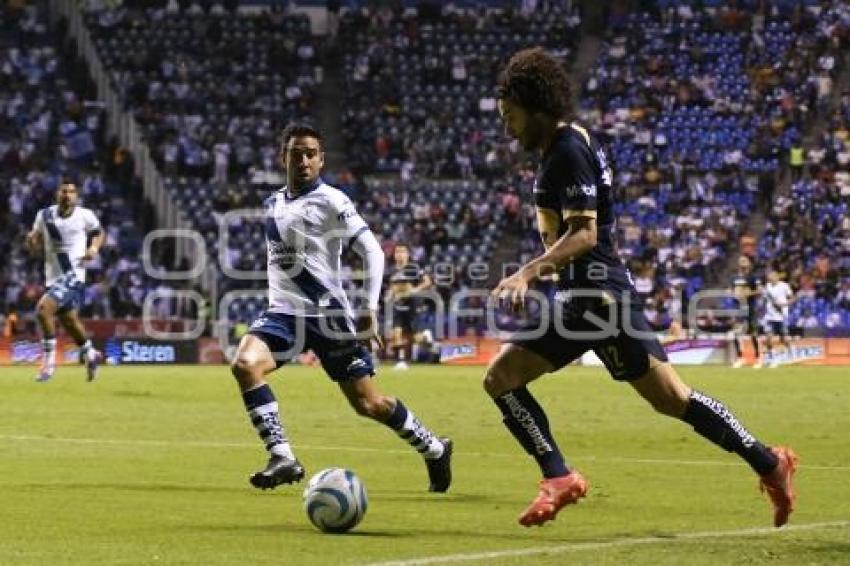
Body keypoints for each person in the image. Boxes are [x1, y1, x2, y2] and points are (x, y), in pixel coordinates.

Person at [486, 48, 797, 528]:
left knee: (663, 397)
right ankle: (767, 463)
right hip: (587, 297)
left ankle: (768, 462)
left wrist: (528, 271)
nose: (507, 127)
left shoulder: (568, 150)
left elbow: (586, 234)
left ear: (536, 105)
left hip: (600, 298)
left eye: (511, 115)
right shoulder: (560, 149)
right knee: (663, 397)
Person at [230, 124, 452, 492]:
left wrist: (367, 308)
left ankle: (434, 448)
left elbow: (372, 251)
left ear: (321, 160)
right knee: (245, 364)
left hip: (329, 317)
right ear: (282, 157)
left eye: (311, 153)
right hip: (284, 313)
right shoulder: (272, 202)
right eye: (296, 153)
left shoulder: (333, 200)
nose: (303, 160)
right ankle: (282, 455)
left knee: (369, 404)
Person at [25, 180, 104, 382]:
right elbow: (35, 239)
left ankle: (49, 364)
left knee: (43, 310)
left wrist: (93, 249)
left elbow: (98, 233)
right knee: (69, 321)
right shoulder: (44, 215)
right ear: (57, 194)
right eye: (64, 191)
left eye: (72, 191)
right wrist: (32, 241)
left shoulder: (84, 215)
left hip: (74, 275)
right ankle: (91, 353)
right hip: (53, 276)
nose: (68, 195)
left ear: (76, 196)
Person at [387, 243, 433, 370]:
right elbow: (392, 286)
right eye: (397, 252)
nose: (400, 254)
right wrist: (389, 296)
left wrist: (414, 291)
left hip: (412, 305)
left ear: (408, 254)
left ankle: (425, 336)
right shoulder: (391, 270)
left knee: (414, 338)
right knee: (396, 333)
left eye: (402, 252)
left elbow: (428, 281)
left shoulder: (413, 268)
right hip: (398, 306)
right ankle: (401, 361)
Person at [730, 255, 764, 369]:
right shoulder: (734, 277)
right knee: (736, 333)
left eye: (744, 261)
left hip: (751, 308)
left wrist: (747, 293)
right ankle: (741, 358)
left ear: (749, 263)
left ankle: (758, 358)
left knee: (753, 334)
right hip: (738, 308)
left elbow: (759, 291)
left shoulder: (753, 277)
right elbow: (732, 291)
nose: (742, 263)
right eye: (740, 261)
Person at [762, 270, 795, 368]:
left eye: (772, 275)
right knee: (768, 338)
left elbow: (792, 298)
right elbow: (765, 300)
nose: (770, 277)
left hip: (781, 316)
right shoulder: (767, 287)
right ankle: (773, 359)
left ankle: (791, 351)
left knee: (784, 339)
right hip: (769, 316)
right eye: (769, 276)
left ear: (777, 277)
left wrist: (784, 304)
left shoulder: (784, 286)